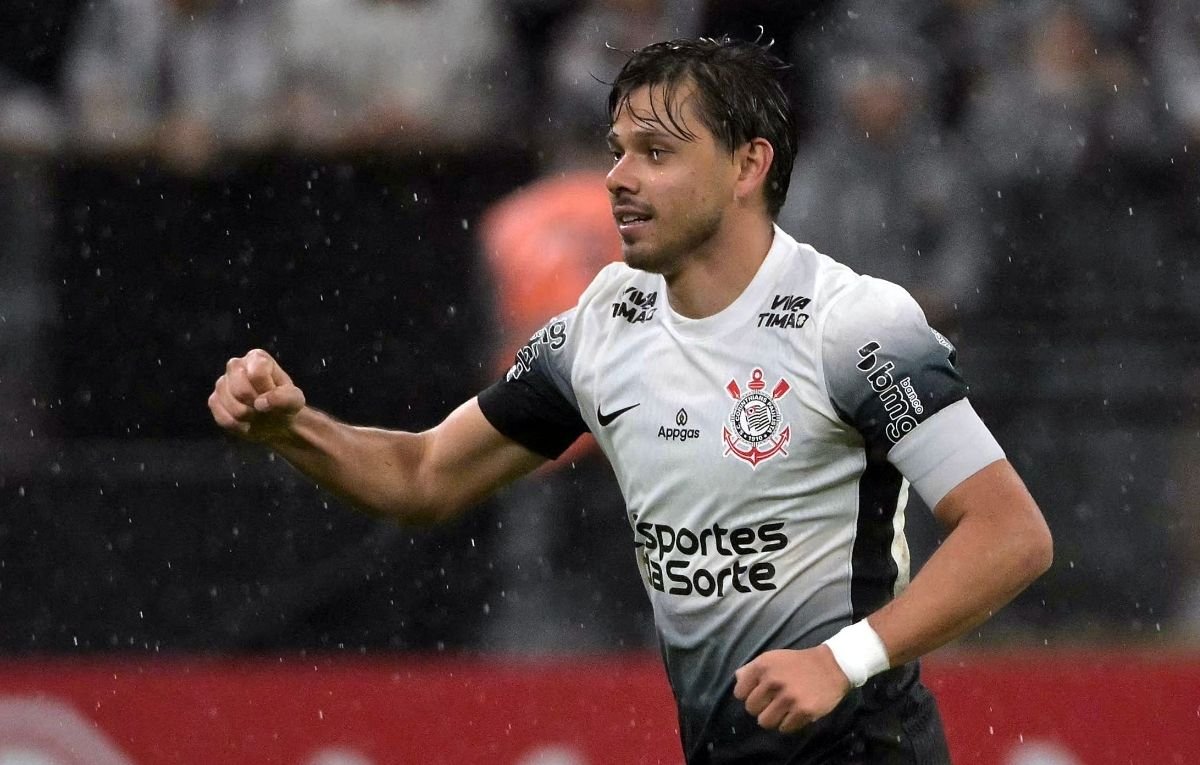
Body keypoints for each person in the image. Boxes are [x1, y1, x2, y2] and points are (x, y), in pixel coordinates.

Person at [208, 36, 1053, 764]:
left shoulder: (853, 323)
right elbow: (426, 474)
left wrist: (844, 657)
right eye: (615, 150)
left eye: (655, 152)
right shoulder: (602, 322)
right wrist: (296, 427)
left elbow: (1012, 533)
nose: (616, 177)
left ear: (748, 166)